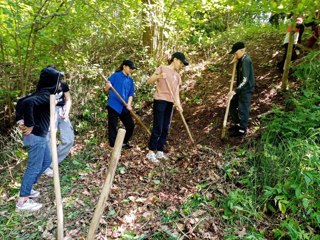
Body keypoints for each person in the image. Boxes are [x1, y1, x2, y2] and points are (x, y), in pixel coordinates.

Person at [15, 66, 62, 211]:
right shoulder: (46, 95)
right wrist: (28, 124)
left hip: (38, 136)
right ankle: (22, 202)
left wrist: (20, 121)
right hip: (36, 137)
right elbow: (27, 103)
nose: (60, 85)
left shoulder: (42, 93)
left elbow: (21, 102)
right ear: (52, 82)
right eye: (58, 81)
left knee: (47, 160)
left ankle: (27, 188)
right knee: (34, 167)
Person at [146, 52, 188, 163]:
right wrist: (159, 76)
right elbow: (149, 81)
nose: (181, 65)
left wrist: (179, 104)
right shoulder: (162, 68)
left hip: (170, 102)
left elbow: (176, 93)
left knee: (165, 127)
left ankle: (159, 150)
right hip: (160, 100)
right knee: (158, 126)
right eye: (181, 62)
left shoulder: (177, 76)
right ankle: (150, 152)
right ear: (175, 59)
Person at [43, 66, 74, 178]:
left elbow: (68, 99)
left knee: (69, 140)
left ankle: (53, 162)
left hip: (62, 112)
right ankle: (47, 166)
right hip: (49, 113)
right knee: (50, 140)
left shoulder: (63, 85)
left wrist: (67, 110)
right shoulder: (44, 87)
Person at [104, 59, 136, 149]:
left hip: (124, 106)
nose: (131, 70)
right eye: (130, 68)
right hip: (114, 104)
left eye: (132, 69)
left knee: (130, 125)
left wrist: (129, 104)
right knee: (113, 126)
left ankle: (124, 142)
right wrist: (108, 86)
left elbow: (131, 94)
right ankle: (113, 145)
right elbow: (106, 89)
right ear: (124, 66)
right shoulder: (116, 76)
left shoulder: (130, 80)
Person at [227, 42, 255, 137]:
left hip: (245, 89)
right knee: (231, 104)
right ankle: (238, 124)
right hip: (240, 89)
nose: (235, 55)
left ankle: (242, 130)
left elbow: (245, 79)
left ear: (242, 50)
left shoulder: (246, 60)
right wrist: (236, 60)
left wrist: (235, 91)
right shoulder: (241, 59)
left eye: (236, 53)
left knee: (243, 109)